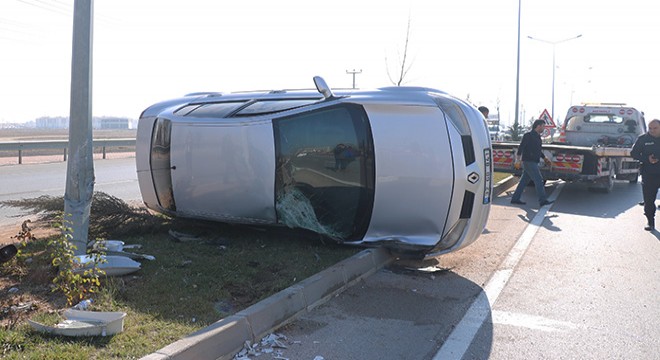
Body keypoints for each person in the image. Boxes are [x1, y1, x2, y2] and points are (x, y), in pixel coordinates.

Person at [510, 119, 554, 207]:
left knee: (523, 181)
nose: (544, 128)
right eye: (543, 126)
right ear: (538, 126)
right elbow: (521, 147)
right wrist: (518, 160)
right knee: (539, 180)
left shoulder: (538, 137)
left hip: (534, 161)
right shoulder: (528, 136)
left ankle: (515, 198)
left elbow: (538, 150)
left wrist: (544, 158)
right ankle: (542, 200)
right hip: (528, 161)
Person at [630, 119, 660, 231]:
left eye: (655, 128)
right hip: (649, 174)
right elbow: (634, 153)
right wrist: (646, 159)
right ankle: (650, 222)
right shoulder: (643, 139)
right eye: (650, 128)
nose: (652, 130)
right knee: (648, 200)